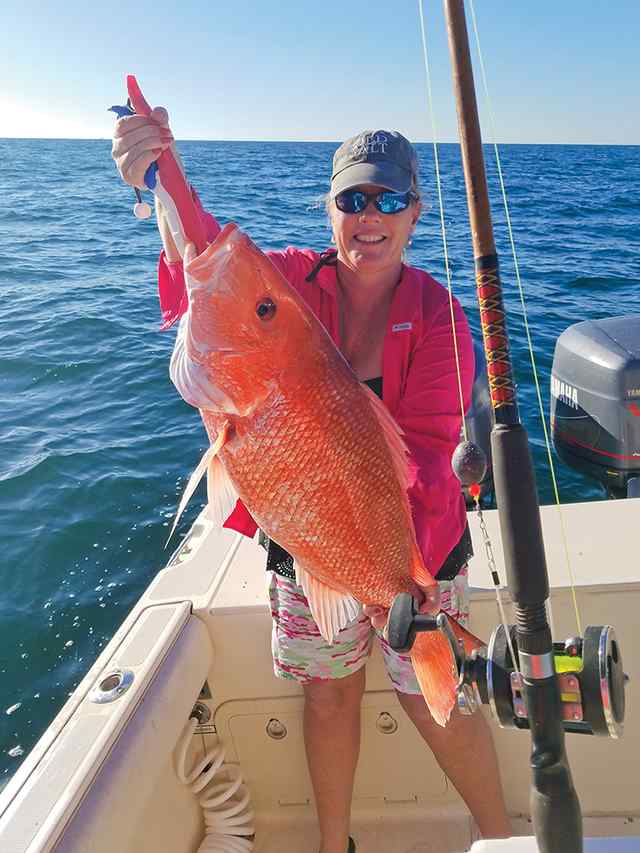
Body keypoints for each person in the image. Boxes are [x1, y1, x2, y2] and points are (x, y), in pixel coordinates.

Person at [112, 114, 511, 852]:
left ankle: (501, 835)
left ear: (416, 214)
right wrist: (159, 176)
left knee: (436, 703)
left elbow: (425, 460)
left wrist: (403, 583)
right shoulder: (289, 281)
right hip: (303, 537)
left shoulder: (440, 319)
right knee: (327, 695)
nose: (370, 218)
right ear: (329, 209)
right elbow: (205, 262)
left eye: (390, 201)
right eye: (353, 200)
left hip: (411, 552)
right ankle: (335, 846)